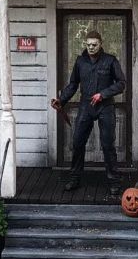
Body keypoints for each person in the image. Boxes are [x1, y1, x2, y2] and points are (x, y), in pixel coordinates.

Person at [51, 29, 126, 191]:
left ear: (101, 44)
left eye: (94, 45)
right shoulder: (80, 62)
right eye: (88, 44)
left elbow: (121, 84)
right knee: (77, 142)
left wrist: (103, 94)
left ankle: (114, 182)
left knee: (108, 144)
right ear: (85, 44)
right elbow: (73, 84)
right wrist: (61, 100)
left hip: (105, 106)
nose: (91, 47)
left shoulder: (110, 60)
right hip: (86, 106)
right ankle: (74, 179)